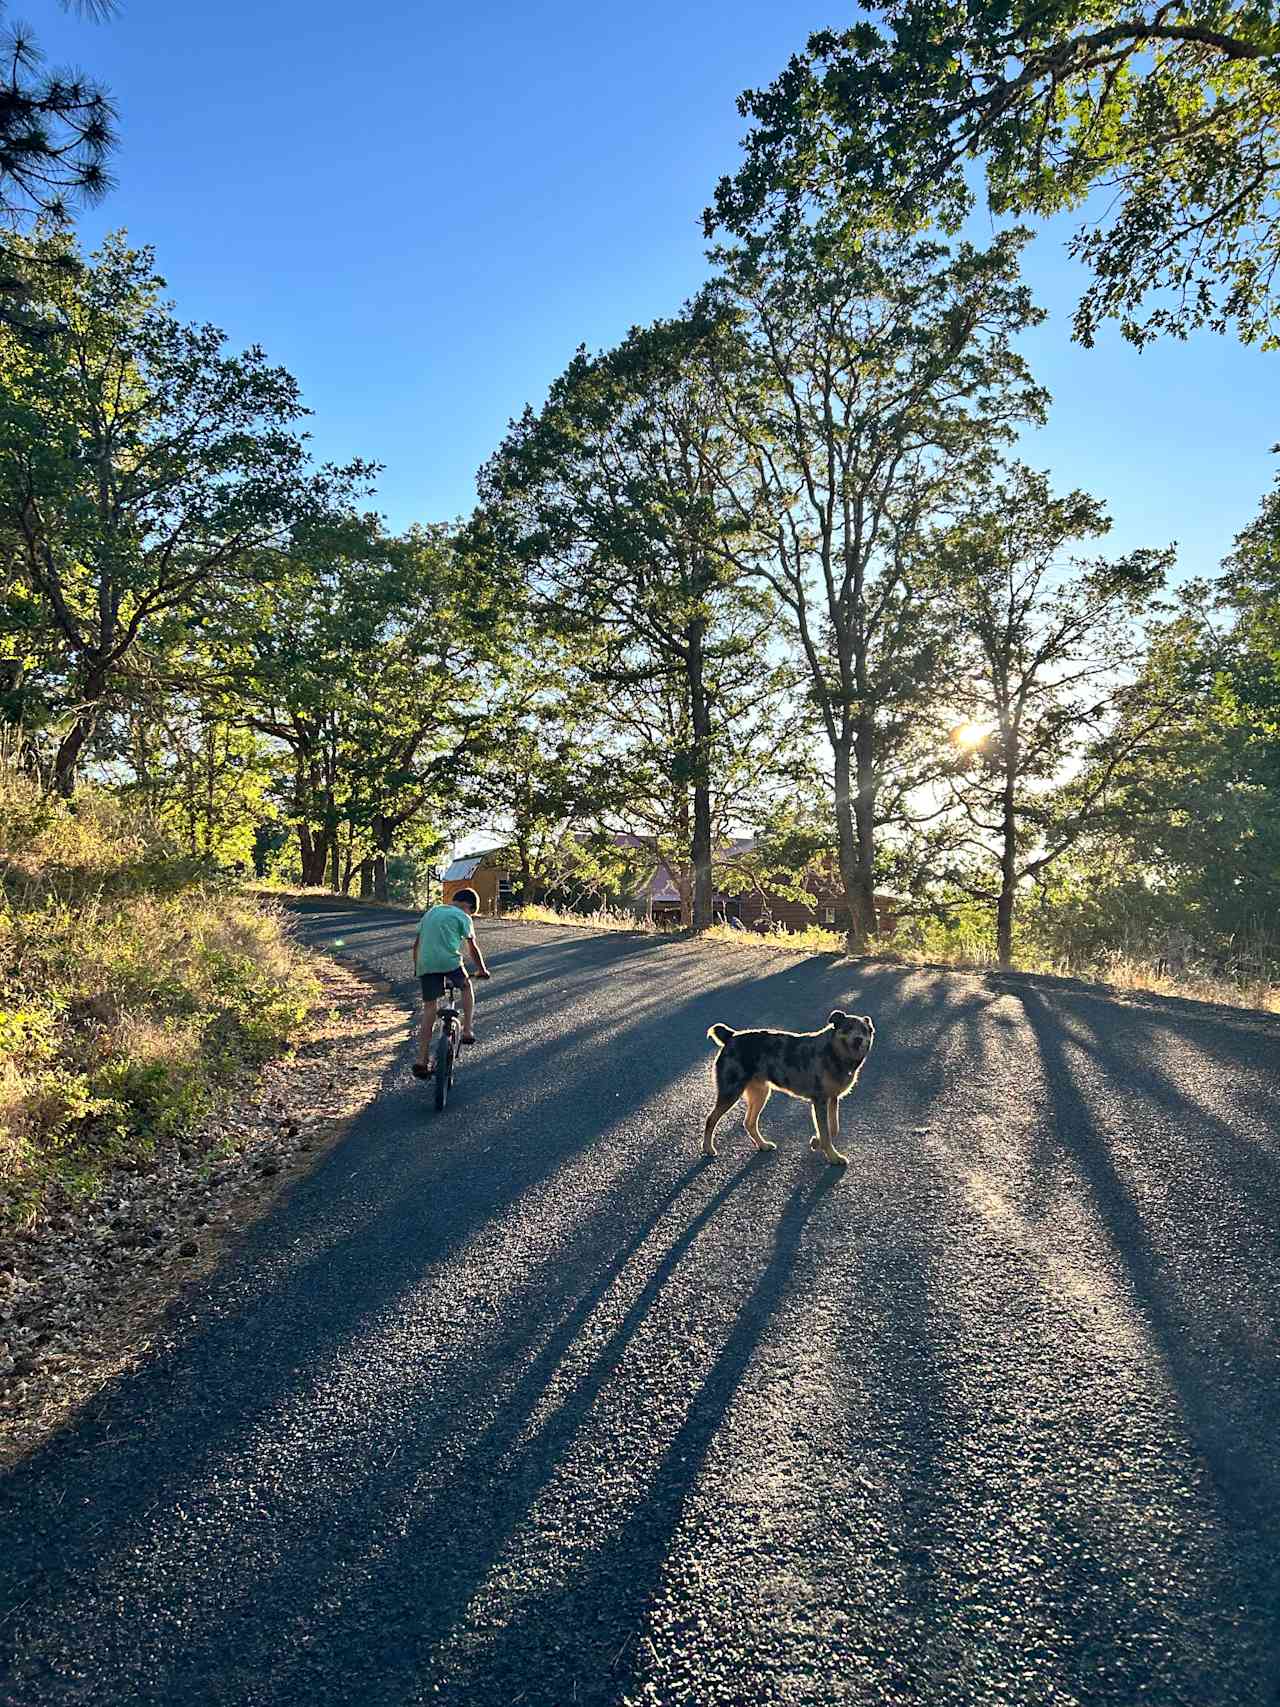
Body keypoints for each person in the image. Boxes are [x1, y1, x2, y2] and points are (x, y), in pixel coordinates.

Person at [411, 886, 491, 1080]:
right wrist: (482, 970)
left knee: (430, 1009)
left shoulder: (432, 912)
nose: (470, 914)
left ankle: (422, 1060)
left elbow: (416, 944)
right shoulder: (463, 917)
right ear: (468, 906)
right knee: (465, 986)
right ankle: (467, 1029)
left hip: (425, 963)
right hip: (450, 963)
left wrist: (418, 968)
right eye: (471, 911)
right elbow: (472, 948)